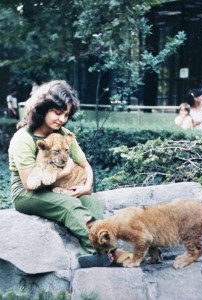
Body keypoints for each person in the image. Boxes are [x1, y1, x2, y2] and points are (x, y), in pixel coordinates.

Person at [8, 80, 128, 268]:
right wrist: (65, 172)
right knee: (69, 204)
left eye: (66, 115)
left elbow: (85, 166)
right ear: (43, 107)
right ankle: (110, 250)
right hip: (27, 193)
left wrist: (86, 186)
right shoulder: (23, 138)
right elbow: (28, 183)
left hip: (56, 186)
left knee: (91, 202)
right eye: (57, 112)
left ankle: (92, 255)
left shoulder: (64, 133)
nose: (62, 119)